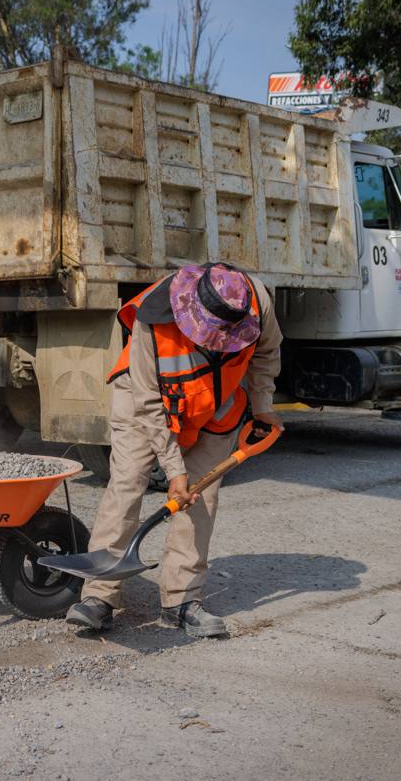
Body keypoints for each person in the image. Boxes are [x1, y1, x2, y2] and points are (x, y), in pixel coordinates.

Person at [65, 262, 283, 638]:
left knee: (202, 496)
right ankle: (99, 597)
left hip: (217, 408)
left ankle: (181, 600)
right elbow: (148, 403)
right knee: (128, 482)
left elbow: (267, 353)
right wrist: (173, 471)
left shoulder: (256, 301)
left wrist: (263, 405)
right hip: (144, 402)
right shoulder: (153, 316)